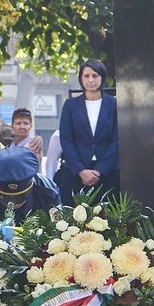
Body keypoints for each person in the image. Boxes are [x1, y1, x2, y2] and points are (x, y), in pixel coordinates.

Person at [56, 58, 119, 205]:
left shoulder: (113, 104)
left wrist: (100, 170)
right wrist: (81, 170)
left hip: (108, 172)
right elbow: (66, 139)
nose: (91, 80)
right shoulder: (70, 105)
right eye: (86, 76)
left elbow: (117, 139)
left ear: (102, 77)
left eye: (95, 76)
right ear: (80, 78)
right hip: (77, 173)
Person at [0, 147, 61, 223]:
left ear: (32, 182)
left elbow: (57, 228)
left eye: (21, 196)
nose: (14, 205)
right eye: (5, 197)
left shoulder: (48, 191)